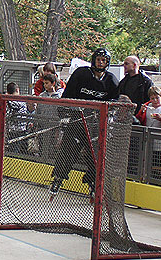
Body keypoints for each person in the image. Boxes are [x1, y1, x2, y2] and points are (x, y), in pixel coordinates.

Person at [48, 47, 119, 196]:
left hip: (96, 125)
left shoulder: (111, 80)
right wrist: (65, 114)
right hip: (76, 121)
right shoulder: (81, 74)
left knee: (95, 154)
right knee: (68, 150)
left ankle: (93, 182)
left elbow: (115, 102)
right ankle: (58, 178)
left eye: (104, 61)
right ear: (93, 60)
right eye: (98, 60)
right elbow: (67, 96)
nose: (101, 63)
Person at [137, 86, 161, 172]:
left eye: (157, 98)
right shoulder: (146, 107)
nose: (155, 100)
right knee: (147, 161)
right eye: (152, 98)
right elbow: (139, 120)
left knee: (159, 161)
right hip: (147, 139)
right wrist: (141, 112)